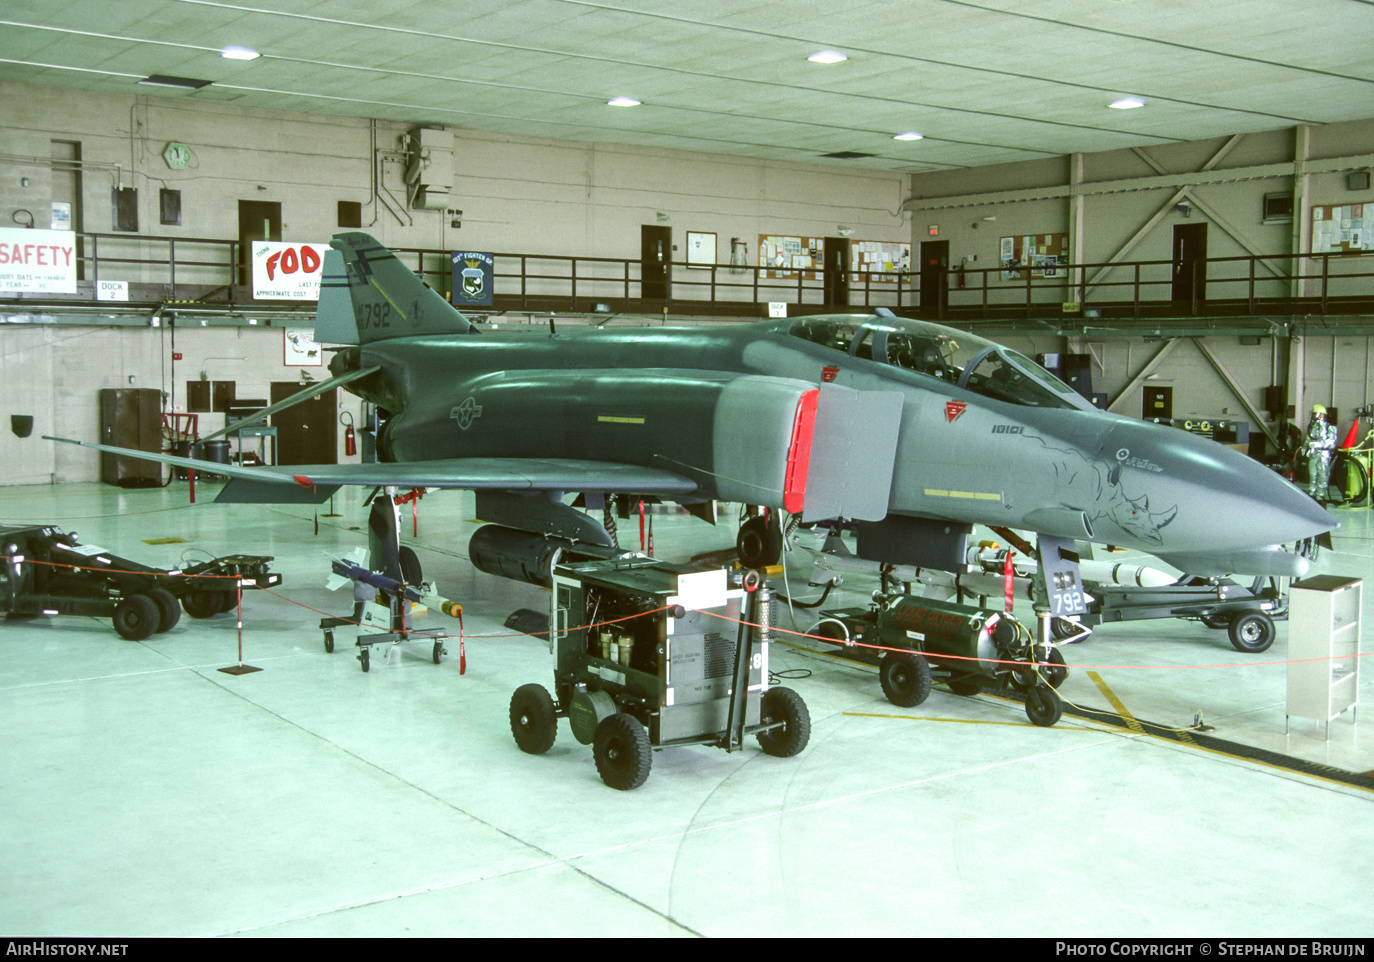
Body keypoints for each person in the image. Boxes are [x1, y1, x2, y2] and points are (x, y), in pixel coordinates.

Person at [1303, 404, 1338, 501]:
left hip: (1323, 454)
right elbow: (1309, 438)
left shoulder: (1329, 428)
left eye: (1315, 414)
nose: (1313, 416)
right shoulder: (1313, 427)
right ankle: (1312, 491)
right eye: (1313, 414)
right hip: (1313, 453)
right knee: (1312, 474)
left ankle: (1321, 494)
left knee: (1322, 474)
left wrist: (1318, 444)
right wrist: (1305, 447)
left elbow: (1332, 443)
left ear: (1321, 415)